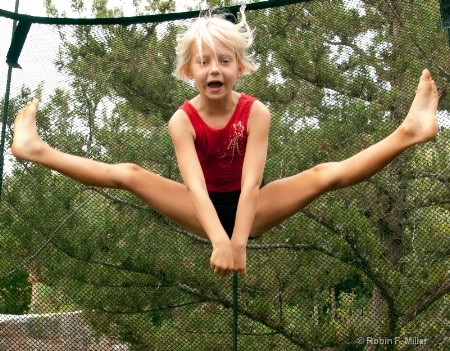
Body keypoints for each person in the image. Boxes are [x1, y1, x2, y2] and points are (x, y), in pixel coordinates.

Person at [11, 7, 440, 278]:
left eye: (224, 60)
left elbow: (252, 183)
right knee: (130, 174)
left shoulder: (255, 112)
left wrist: (237, 243)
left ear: (239, 67)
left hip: (250, 205)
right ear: (188, 71)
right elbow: (195, 188)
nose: (214, 69)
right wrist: (219, 241)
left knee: (323, 174)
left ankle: (411, 131)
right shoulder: (183, 120)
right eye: (204, 62)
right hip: (201, 205)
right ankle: (36, 150)